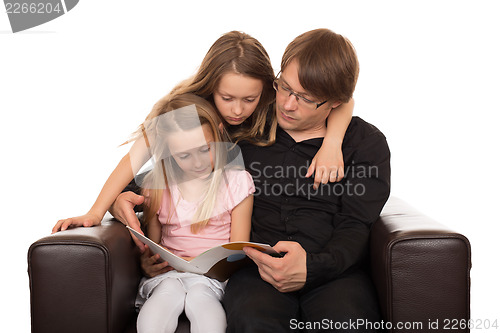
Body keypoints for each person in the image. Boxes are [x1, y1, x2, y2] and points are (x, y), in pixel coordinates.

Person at [51, 31, 355, 238]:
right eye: (227, 98)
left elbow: (343, 100)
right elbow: (134, 159)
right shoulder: (187, 112)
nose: (237, 110)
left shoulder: (275, 103)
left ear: (267, 88)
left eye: (248, 99)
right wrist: (97, 211)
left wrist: (332, 143)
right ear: (211, 87)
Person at [219, 29, 391, 332]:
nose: (287, 104)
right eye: (284, 87)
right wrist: (127, 194)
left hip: (335, 272)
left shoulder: (365, 143)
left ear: (336, 102)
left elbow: (356, 223)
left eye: (305, 98)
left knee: (347, 322)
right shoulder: (248, 123)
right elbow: (180, 168)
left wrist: (314, 267)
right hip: (257, 269)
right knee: (252, 319)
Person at [128, 94, 256, 333]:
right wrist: (147, 263)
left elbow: (238, 249)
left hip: (211, 278)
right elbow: (153, 246)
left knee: (200, 296)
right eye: (184, 156)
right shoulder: (158, 187)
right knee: (168, 292)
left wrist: (208, 268)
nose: (198, 163)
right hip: (169, 275)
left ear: (218, 136)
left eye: (204, 149)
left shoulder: (237, 182)